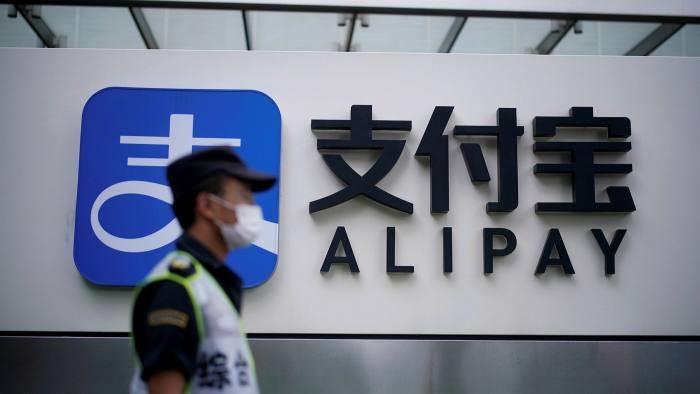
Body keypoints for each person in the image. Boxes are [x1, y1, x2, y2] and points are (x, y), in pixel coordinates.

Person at [130, 147, 275, 394]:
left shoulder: (209, 284)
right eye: (244, 196)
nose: (252, 208)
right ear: (207, 205)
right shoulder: (176, 288)